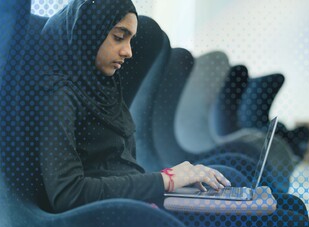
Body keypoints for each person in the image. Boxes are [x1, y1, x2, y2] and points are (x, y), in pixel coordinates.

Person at [37, 0, 231, 213]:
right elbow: (68, 194)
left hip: (135, 211)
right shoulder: (58, 95)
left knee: (236, 210)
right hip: (103, 223)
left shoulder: (104, 88)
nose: (128, 52)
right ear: (89, 32)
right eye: (119, 37)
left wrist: (173, 182)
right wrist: (165, 180)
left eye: (130, 40)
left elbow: (119, 172)